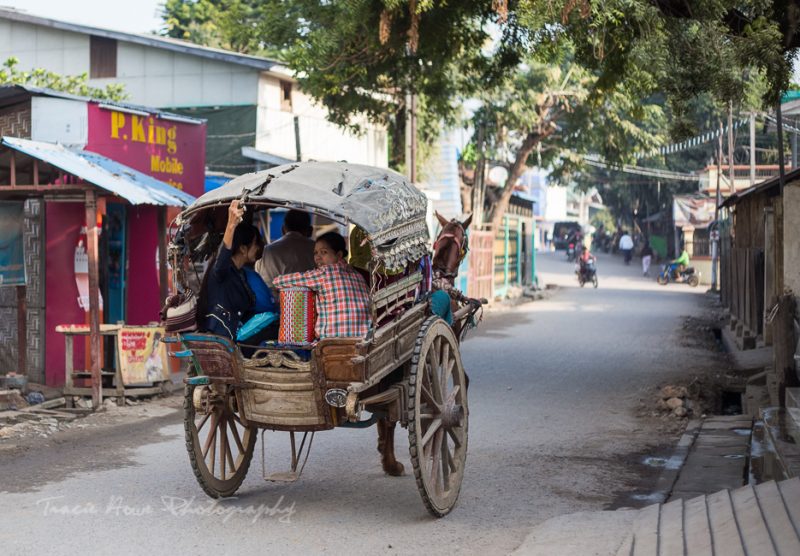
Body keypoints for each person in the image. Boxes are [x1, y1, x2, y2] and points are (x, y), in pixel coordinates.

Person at [273, 231, 370, 339]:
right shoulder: (357, 275)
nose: (318, 257)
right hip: (363, 339)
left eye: (323, 252)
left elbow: (279, 282)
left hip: (332, 341)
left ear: (338, 255)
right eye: (315, 253)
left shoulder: (324, 273)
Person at [197, 200, 268, 342]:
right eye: (255, 244)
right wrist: (231, 225)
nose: (258, 248)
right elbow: (223, 255)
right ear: (243, 248)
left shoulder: (241, 273)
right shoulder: (222, 269)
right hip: (221, 337)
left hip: (236, 335)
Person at [256, 209, 316, 298]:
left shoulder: (267, 250)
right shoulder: (317, 249)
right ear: (310, 231)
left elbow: (263, 285)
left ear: (283, 229)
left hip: (277, 307)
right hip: (311, 306)